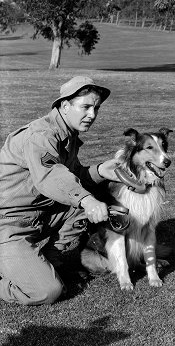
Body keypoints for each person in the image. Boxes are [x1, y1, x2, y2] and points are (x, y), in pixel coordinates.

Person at [0, 76, 120, 305]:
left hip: (38, 216)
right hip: (8, 225)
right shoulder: (41, 136)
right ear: (65, 106)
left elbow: (73, 177)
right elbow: (51, 176)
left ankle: (50, 258)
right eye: (85, 107)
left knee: (83, 201)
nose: (92, 115)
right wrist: (87, 200)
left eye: (96, 108)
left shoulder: (67, 136)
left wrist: (100, 171)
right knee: (47, 291)